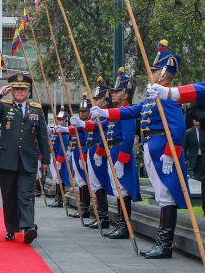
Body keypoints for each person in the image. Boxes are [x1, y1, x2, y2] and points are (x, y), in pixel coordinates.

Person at [91, 40, 187, 259]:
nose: (150, 73)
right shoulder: (153, 98)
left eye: (153, 70)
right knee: (163, 196)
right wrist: (106, 114)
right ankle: (162, 243)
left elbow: (179, 128)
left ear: (162, 72)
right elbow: (134, 110)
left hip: (162, 149)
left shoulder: (168, 95)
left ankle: (165, 244)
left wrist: (170, 154)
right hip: (152, 148)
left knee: (166, 196)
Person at [0, 73, 49, 243]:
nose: (20, 91)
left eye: (23, 89)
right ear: (12, 91)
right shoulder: (5, 106)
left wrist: (46, 161)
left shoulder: (36, 108)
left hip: (28, 160)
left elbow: (43, 137)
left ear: (28, 92)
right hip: (7, 159)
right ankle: (11, 228)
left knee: (26, 194)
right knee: (9, 196)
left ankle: (28, 227)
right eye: (16, 89)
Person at [98, 68, 141, 239]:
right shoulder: (118, 111)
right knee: (118, 190)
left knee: (122, 190)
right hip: (113, 151)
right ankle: (121, 224)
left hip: (121, 153)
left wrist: (122, 160)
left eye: (116, 91)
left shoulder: (127, 111)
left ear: (125, 94)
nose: (113, 94)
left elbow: (129, 137)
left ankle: (124, 226)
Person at [70, 77, 113, 229]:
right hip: (90, 151)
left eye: (98, 99)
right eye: (94, 99)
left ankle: (104, 218)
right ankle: (99, 216)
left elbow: (103, 131)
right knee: (94, 185)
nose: (95, 102)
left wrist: (98, 151)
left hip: (97, 151)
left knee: (98, 185)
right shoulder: (96, 116)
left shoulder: (105, 115)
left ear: (105, 101)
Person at [56, 93, 91, 218]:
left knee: (85, 181)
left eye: (85, 111)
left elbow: (87, 139)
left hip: (83, 152)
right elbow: (72, 130)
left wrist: (83, 156)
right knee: (80, 181)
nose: (82, 113)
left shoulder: (88, 123)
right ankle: (82, 207)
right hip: (76, 151)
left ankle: (85, 208)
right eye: (80, 111)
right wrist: (64, 129)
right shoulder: (81, 122)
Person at [48, 106, 70, 208]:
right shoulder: (56, 130)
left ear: (65, 121)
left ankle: (60, 199)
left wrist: (59, 160)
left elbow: (63, 147)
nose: (59, 121)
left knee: (60, 178)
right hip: (54, 155)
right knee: (57, 178)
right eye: (58, 119)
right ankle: (57, 198)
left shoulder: (64, 132)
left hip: (59, 157)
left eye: (61, 120)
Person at [184, 118, 205, 215]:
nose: (197, 123)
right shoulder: (188, 133)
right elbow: (185, 147)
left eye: (199, 121)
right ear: (193, 122)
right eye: (196, 121)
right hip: (195, 160)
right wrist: (185, 159)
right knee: (198, 180)